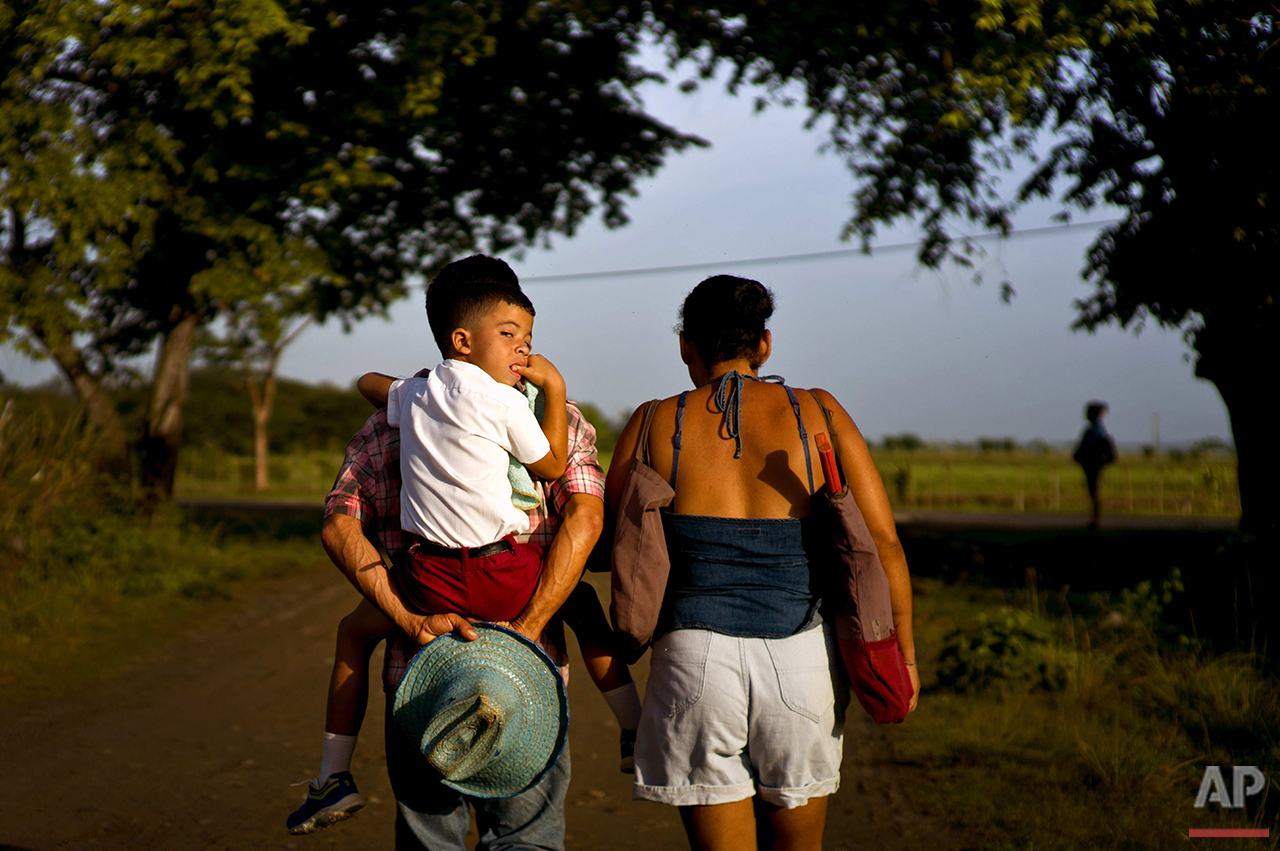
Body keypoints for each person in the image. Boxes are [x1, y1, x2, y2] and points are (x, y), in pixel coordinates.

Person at [605, 275, 919, 851]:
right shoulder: (818, 411)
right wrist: (903, 652)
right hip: (801, 658)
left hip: (691, 664)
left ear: (686, 347)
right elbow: (884, 545)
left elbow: (612, 544)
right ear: (765, 344)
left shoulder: (651, 422)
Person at [314, 254, 612, 851]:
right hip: (523, 680)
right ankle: (633, 728)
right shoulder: (555, 420)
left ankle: (330, 774)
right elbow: (585, 517)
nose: (523, 351)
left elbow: (339, 527)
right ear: (468, 338)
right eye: (513, 337)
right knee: (526, 840)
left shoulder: (394, 417)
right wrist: (526, 629)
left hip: (422, 678)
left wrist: (407, 619)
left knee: (432, 844)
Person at [1073, 400, 1116, 528]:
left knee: (1094, 490)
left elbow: (1091, 446)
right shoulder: (1097, 428)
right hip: (1093, 463)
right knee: (1093, 490)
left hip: (1092, 464)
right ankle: (1095, 519)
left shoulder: (1095, 429)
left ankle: (1095, 520)